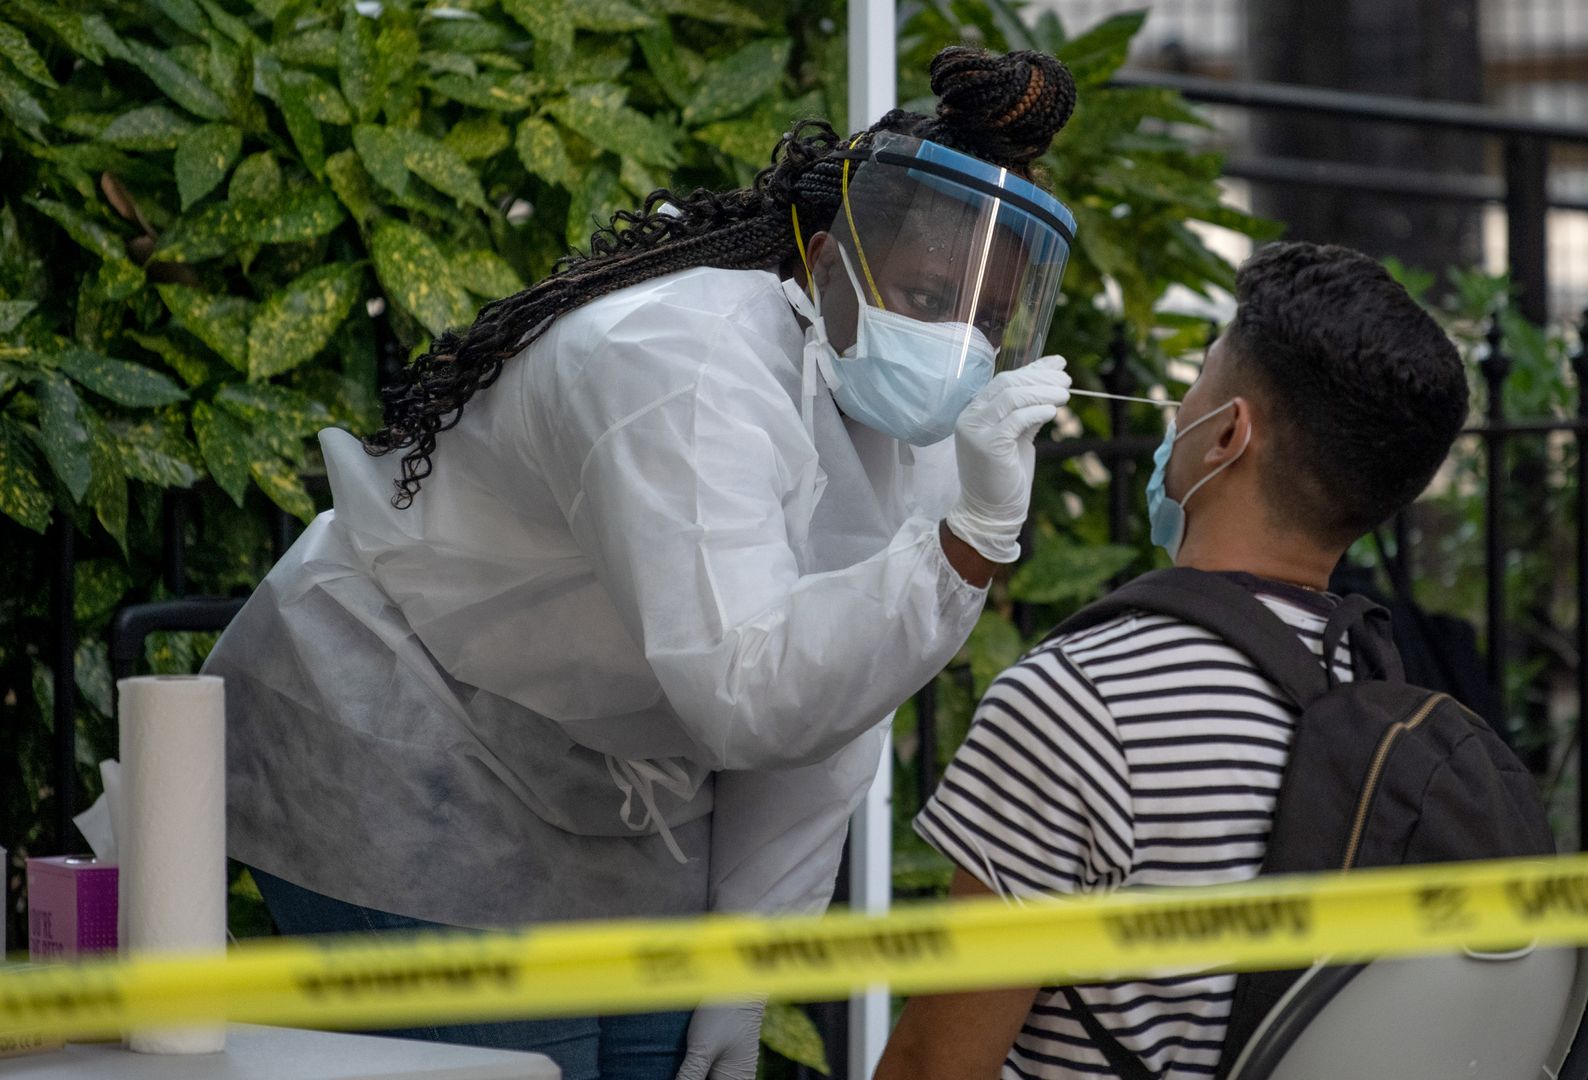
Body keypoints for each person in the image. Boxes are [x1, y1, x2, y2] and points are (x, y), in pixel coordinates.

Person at [201, 47, 1080, 1080]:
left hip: (606, 782)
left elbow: (833, 720)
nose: (960, 348)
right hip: (410, 739)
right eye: (931, 296)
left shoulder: (913, 422)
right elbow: (747, 694)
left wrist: (741, 965)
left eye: (987, 319)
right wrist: (968, 545)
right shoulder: (680, 365)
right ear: (830, 263)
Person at [874, 240, 1471, 1080]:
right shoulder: (1374, 692)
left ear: (1228, 434)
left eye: (1197, 381)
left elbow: (935, 1067)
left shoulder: (1078, 703)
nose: (1175, 408)